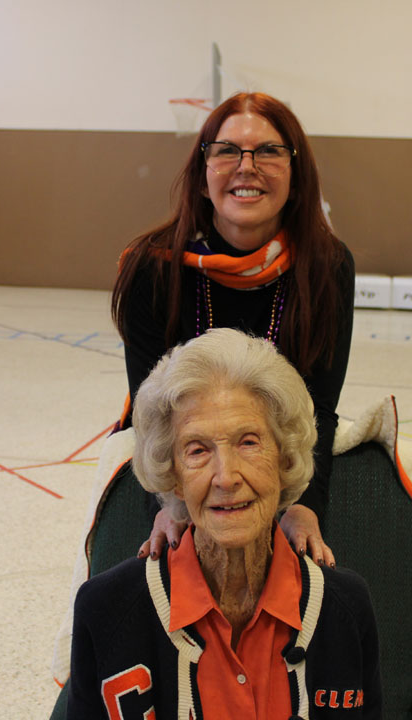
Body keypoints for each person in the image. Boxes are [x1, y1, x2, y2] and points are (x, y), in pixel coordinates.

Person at [67, 329, 381, 719]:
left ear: (285, 459)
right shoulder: (105, 610)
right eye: (197, 450)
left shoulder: (345, 608)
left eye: (249, 442)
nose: (226, 477)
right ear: (174, 476)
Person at [112, 92, 354, 567]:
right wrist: (165, 508)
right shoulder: (152, 267)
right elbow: (150, 415)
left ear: (296, 176)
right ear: (203, 177)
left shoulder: (327, 266)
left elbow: (320, 406)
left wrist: (305, 505)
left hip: (274, 453)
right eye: (227, 151)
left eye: (269, 151)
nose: (248, 166)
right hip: (181, 455)